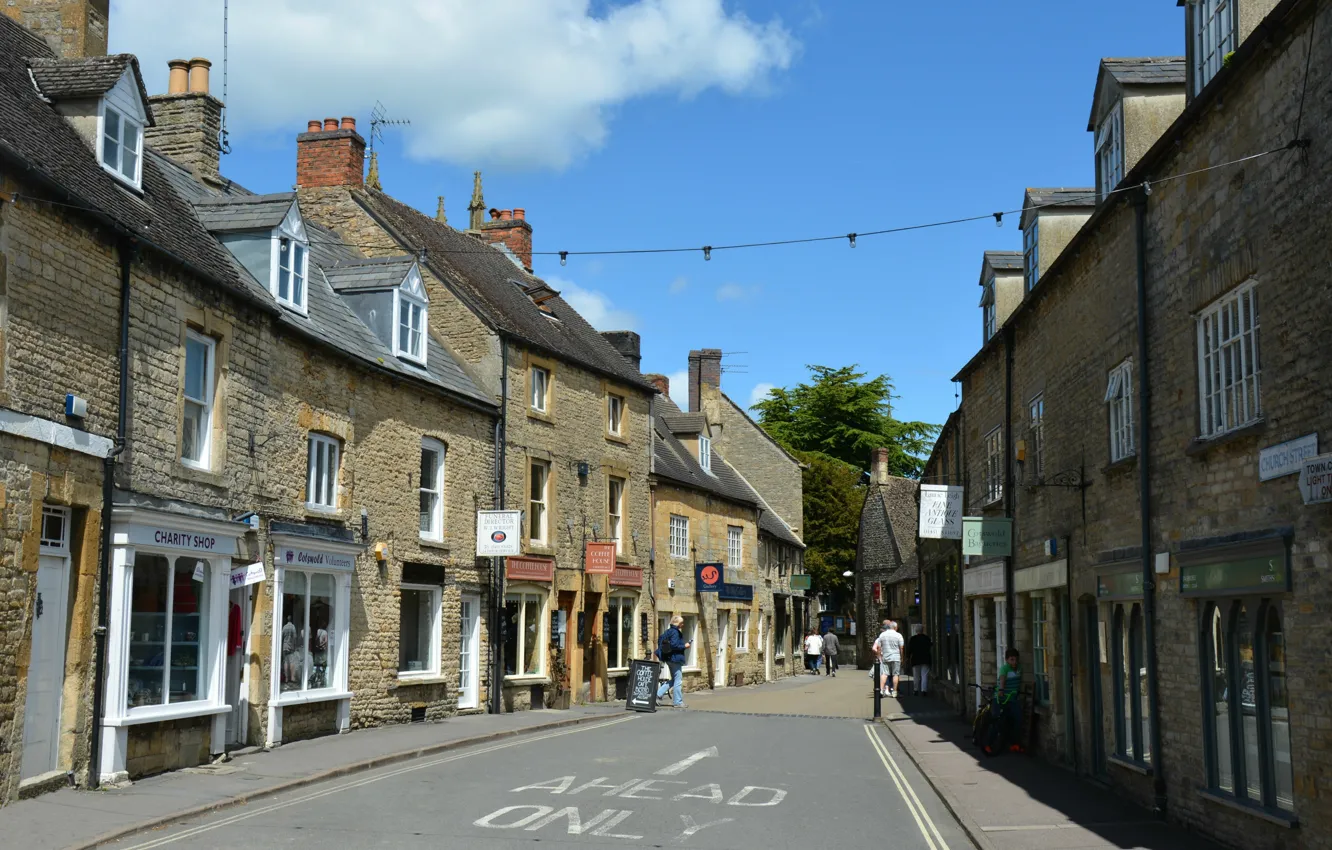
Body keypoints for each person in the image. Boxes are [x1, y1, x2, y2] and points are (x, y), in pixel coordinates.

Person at [983, 647, 1024, 755]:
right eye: (1011, 660)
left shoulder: (1019, 668)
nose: (1014, 662)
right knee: (996, 720)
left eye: (1015, 659)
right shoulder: (1004, 669)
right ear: (1007, 660)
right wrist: (1001, 689)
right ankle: (988, 744)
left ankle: (1014, 744)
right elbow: (1002, 679)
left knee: (1018, 719)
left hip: (1012, 699)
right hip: (1000, 699)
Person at [655, 615, 691, 708]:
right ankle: (678, 702)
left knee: (675, 680)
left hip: (669, 659)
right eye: (682, 623)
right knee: (678, 681)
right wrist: (685, 646)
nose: (683, 625)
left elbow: (660, 641)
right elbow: (674, 646)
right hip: (675, 659)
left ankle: (658, 694)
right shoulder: (675, 632)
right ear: (678, 623)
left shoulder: (668, 631)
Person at [873, 619, 905, 697]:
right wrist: (902, 657)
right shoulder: (898, 635)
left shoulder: (882, 635)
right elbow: (901, 648)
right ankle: (894, 692)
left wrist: (879, 656)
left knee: (884, 674)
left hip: (886, 657)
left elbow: (879, 647)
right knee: (895, 674)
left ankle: (881, 690)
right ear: (895, 627)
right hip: (896, 657)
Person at [906, 625, 933, 696]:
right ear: (922, 630)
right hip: (925, 659)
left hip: (916, 659)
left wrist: (907, 657)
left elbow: (909, 649)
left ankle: (916, 690)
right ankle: (924, 690)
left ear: (916, 631)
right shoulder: (927, 638)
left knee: (916, 675)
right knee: (924, 675)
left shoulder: (913, 639)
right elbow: (930, 646)